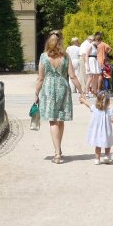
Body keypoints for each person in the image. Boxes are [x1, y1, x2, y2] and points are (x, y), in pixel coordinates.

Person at [35, 31, 83, 163]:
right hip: (63, 87)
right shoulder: (65, 57)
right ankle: (59, 149)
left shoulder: (44, 57)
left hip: (49, 88)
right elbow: (72, 76)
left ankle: (57, 153)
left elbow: (40, 78)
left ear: (48, 44)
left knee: (52, 120)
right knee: (60, 119)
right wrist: (81, 90)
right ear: (60, 43)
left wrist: (36, 93)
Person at [80, 90, 113, 164]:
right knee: (108, 145)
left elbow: (88, 104)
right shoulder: (110, 111)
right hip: (107, 131)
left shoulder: (94, 108)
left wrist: (82, 100)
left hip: (97, 132)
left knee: (98, 146)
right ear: (108, 102)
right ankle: (106, 156)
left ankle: (97, 159)